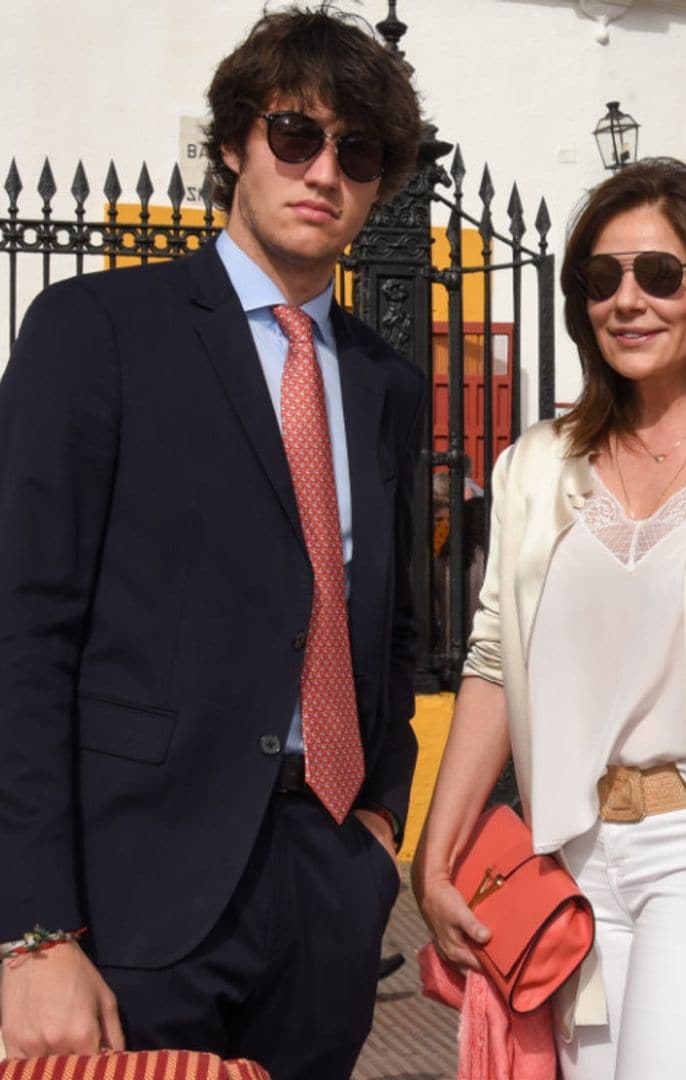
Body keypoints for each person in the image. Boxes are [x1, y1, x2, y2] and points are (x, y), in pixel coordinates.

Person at [0, 7, 424, 1077]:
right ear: (234, 142)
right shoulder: (97, 331)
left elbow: (395, 623)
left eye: (358, 151)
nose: (324, 169)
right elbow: (21, 634)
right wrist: (33, 931)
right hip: (133, 890)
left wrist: (376, 831)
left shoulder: (383, 380)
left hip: (325, 881)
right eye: (295, 134)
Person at [412, 158, 686, 1080]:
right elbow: (494, 655)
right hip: (566, 855)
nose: (628, 300)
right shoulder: (539, 463)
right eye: (600, 278)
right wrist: (437, 856)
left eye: (660, 274)